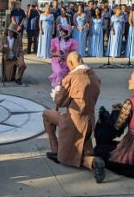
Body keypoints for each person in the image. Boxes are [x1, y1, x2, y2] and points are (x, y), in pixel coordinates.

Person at [43, 52, 106, 183]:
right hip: (89, 121)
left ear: (71, 63)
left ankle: (56, 151)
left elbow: (60, 101)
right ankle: (94, 162)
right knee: (81, 154)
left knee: (46, 114)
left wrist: (57, 93)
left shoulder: (72, 77)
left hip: (73, 121)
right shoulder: (95, 76)